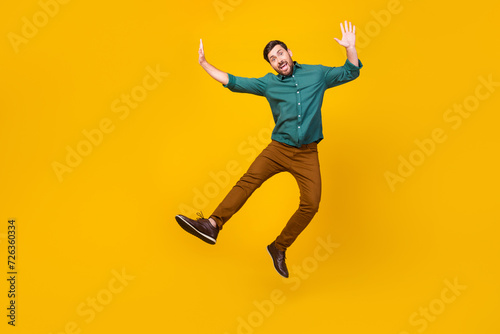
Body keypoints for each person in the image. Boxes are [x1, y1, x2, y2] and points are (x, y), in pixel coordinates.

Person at [176, 21, 363, 278]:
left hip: (307, 153)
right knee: (247, 182)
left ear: (290, 53)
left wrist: (350, 48)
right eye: (272, 59)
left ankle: (279, 247)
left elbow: (351, 72)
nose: (277, 60)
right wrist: (205, 64)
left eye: (280, 54)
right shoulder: (268, 84)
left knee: (311, 204)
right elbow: (234, 82)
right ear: (272, 66)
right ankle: (211, 225)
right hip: (278, 149)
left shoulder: (317, 75)